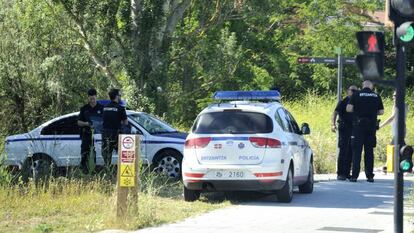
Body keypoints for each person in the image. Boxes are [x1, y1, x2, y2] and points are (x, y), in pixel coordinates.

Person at [346, 80, 384, 182]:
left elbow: (348, 109)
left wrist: (358, 111)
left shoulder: (356, 94)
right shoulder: (376, 96)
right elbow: (381, 111)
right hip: (371, 126)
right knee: (369, 151)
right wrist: (371, 112)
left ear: (362, 86)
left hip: (358, 126)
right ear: (371, 86)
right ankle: (369, 176)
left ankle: (354, 176)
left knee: (357, 151)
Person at [331, 85, 358, 180]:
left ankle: (347, 173)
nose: (354, 92)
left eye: (356, 91)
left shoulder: (357, 102)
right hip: (344, 128)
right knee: (343, 150)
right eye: (352, 90)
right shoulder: (343, 102)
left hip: (354, 128)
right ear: (348, 91)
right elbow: (335, 113)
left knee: (351, 150)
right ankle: (340, 173)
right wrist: (333, 124)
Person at [77, 88, 103, 174]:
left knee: (96, 153)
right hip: (86, 135)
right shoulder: (84, 108)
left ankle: (94, 170)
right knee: (85, 152)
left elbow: (105, 122)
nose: (92, 100)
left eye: (93, 98)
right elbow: (79, 122)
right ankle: (84, 170)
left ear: (96, 97)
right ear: (88, 98)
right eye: (90, 98)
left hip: (98, 135)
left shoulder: (101, 108)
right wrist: (86, 124)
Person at [102, 88, 128, 169]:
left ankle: (107, 170)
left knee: (107, 154)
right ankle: (121, 171)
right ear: (116, 96)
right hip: (116, 134)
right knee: (122, 154)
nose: (120, 97)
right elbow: (126, 122)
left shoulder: (105, 107)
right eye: (120, 95)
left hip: (105, 134)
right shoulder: (120, 108)